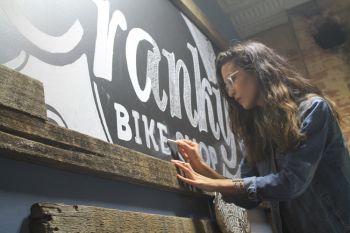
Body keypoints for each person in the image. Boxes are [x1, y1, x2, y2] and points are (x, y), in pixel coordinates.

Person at [171, 41, 350, 233]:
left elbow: (291, 183)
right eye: (226, 86)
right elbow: (248, 197)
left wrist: (212, 183)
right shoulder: (255, 133)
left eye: (232, 80)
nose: (230, 92)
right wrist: (203, 169)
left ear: (258, 70)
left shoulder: (312, 109)